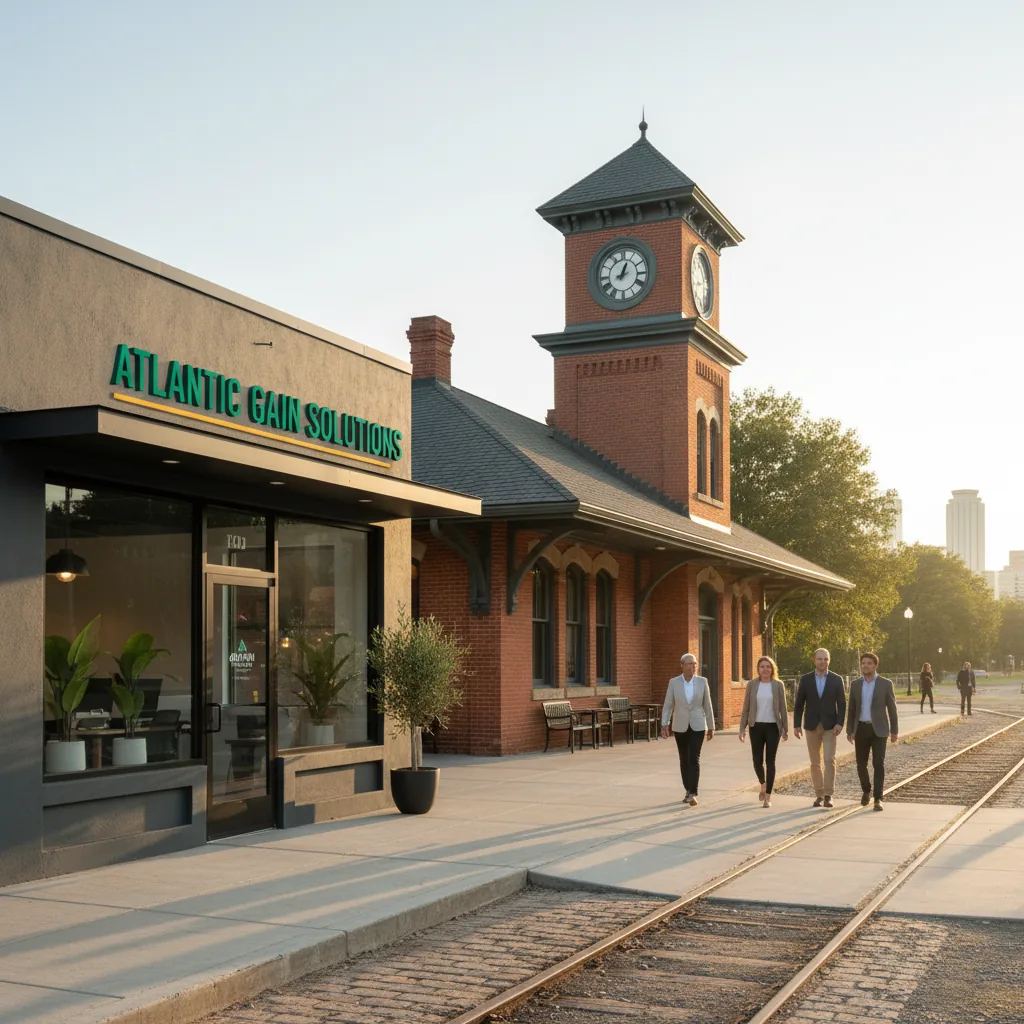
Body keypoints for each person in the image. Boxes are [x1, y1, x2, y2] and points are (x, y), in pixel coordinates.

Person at [793, 647, 847, 809]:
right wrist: (796, 725)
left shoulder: (837, 680)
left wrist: (840, 723)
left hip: (831, 726)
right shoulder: (806, 679)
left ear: (829, 661)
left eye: (826, 659)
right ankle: (819, 794)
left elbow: (842, 704)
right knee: (815, 762)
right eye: (819, 659)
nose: (823, 662)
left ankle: (829, 795)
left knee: (829, 760)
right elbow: (799, 704)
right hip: (811, 726)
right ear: (814, 660)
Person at [846, 652, 899, 811]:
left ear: (875, 666)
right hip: (861, 728)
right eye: (863, 663)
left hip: (879, 730)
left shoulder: (885, 684)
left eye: (869, 663)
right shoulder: (856, 684)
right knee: (861, 764)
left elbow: (892, 709)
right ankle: (866, 790)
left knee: (878, 764)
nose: (866, 666)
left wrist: (894, 730)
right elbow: (852, 709)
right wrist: (850, 730)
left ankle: (878, 798)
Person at [660, 653, 715, 807]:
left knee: (694, 758)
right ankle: (687, 789)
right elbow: (668, 704)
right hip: (680, 725)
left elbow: (707, 705)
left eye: (695, 663)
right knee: (684, 759)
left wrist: (711, 726)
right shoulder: (674, 683)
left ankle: (693, 792)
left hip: (698, 725)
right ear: (682, 666)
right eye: (690, 664)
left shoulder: (702, 682)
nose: (693, 666)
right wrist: (665, 723)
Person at [738, 655, 789, 808]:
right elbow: (746, 708)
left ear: (772, 669)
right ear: (758, 669)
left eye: (768, 666)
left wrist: (785, 729)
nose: (765, 669)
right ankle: (763, 784)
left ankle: (768, 796)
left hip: (773, 727)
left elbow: (783, 709)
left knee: (770, 761)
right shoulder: (752, 685)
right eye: (762, 667)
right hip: (756, 726)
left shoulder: (778, 685)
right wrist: (742, 729)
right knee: (757, 760)